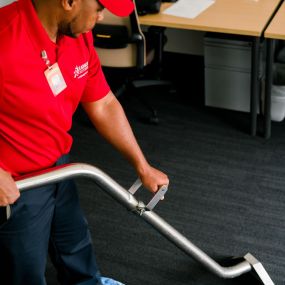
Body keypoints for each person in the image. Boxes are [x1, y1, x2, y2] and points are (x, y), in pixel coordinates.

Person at [0, 0, 169, 284]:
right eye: (100, 8)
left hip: (59, 168)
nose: (102, 17)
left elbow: (102, 102)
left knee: (74, 244)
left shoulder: (78, 33)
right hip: (18, 185)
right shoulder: (5, 38)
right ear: (68, 2)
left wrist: (142, 165)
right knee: (25, 270)